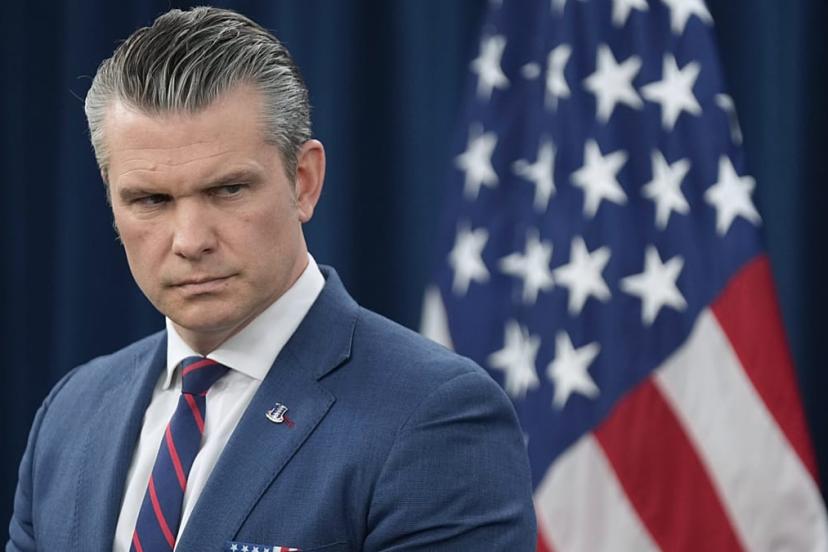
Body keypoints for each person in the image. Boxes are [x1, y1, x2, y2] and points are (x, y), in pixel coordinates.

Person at [6, 7, 535, 552]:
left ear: (303, 181)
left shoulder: (436, 415)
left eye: (228, 190)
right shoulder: (71, 413)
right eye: (151, 200)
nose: (190, 240)